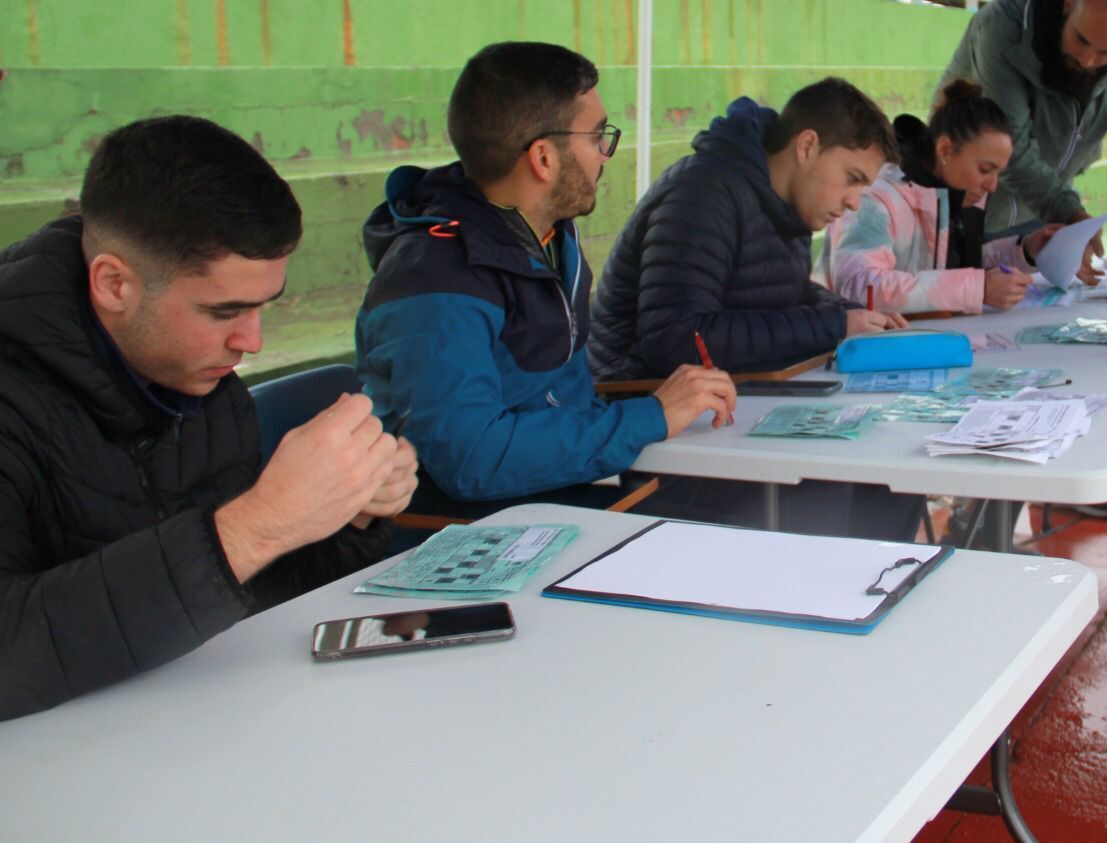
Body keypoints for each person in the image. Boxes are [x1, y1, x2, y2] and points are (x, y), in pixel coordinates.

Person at [0, 116, 419, 721]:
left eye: (261, 308)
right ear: (114, 283)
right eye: (224, 311)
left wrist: (344, 513)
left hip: (208, 729)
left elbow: (248, 598)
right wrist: (255, 526)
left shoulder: (205, 387)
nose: (251, 341)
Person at [355, 42, 735, 521]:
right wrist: (649, 416)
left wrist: (652, 417)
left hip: (560, 497)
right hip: (470, 535)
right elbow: (471, 460)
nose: (604, 155)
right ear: (544, 158)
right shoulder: (433, 279)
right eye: (598, 137)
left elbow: (566, 397)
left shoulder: (550, 233)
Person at [589, 78, 924, 540]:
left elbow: (783, 295)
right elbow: (679, 340)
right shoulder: (703, 192)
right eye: (852, 179)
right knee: (835, 484)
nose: (854, 202)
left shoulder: (782, 202)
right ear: (807, 146)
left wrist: (849, 315)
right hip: (661, 435)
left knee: (895, 482)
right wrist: (831, 323)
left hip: (736, 410)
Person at [939, 0, 1107, 283]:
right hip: (965, 207)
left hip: (1040, 218)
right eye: (1081, 39)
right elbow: (1011, 148)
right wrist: (1071, 213)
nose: (1088, 59)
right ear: (1068, 4)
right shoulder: (1002, 29)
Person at [812, 79, 1059, 314]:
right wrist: (977, 288)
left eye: (998, 173)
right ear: (945, 149)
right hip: (850, 345)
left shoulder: (956, 192)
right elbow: (860, 287)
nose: (992, 186)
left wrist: (1024, 251)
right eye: (985, 170)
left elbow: (949, 267)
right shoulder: (877, 196)